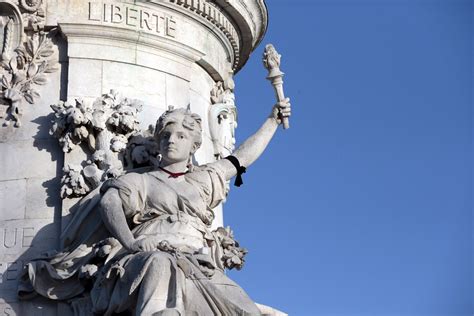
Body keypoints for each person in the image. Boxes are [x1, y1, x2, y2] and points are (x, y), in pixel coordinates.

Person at [19, 98, 291, 316]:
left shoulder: (206, 178)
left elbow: (241, 158)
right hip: (146, 256)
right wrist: (130, 242)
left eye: (181, 136)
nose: (171, 140)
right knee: (160, 265)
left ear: (195, 145)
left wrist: (271, 121)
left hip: (198, 264)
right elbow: (110, 202)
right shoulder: (141, 181)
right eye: (166, 136)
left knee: (244, 308)